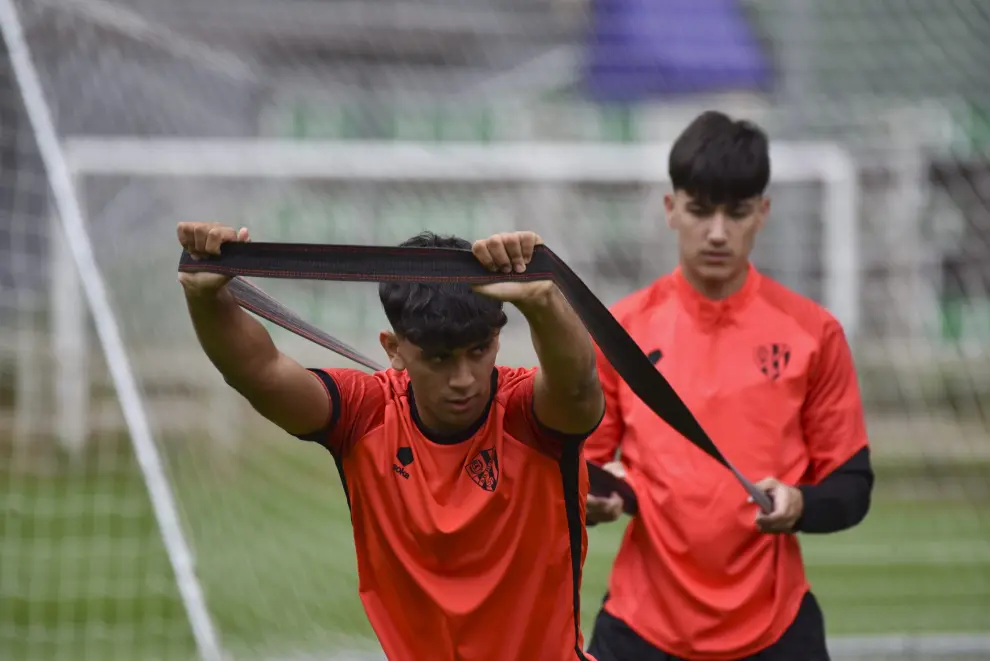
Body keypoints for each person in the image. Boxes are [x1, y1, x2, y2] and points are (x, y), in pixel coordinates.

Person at [177, 223, 605, 661]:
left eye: (479, 351)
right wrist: (205, 297)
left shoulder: (528, 415)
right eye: (439, 359)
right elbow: (260, 374)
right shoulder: (366, 414)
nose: (463, 380)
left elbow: (578, 387)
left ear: (497, 339)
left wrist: (542, 300)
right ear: (393, 348)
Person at [582, 111, 875, 661]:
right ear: (671, 210)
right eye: (699, 210)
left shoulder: (813, 333)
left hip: (775, 626)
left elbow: (852, 486)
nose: (717, 232)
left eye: (736, 213)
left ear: (762, 213)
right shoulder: (620, 330)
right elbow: (581, 473)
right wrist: (595, 497)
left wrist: (799, 503)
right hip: (642, 627)